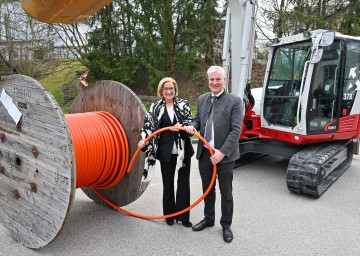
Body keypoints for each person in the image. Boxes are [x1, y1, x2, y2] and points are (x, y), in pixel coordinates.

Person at [184, 66, 243, 243]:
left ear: (225, 80)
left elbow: (236, 130)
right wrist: (193, 126)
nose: (214, 82)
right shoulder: (202, 99)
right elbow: (198, 120)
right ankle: (208, 219)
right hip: (204, 155)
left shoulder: (235, 101)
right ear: (208, 80)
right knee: (207, 190)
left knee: (226, 193)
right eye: (211, 79)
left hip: (224, 157)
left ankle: (226, 225)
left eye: (218, 79)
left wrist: (222, 152)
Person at [138, 77, 194, 228]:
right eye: (165, 89)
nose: (169, 91)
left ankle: (183, 216)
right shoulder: (155, 106)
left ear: (175, 90)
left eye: (171, 88)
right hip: (165, 151)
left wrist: (182, 126)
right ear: (161, 91)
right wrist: (143, 140)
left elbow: (190, 122)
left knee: (183, 184)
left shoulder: (183, 104)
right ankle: (169, 214)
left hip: (183, 150)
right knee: (168, 183)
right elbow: (148, 126)